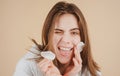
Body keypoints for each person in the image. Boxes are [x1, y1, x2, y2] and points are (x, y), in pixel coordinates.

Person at [13, 1, 101, 76]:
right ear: (48, 35)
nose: (66, 40)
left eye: (74, 33)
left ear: (82, 38)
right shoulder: (29, 63)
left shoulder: (91, 73)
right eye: (58, 32)